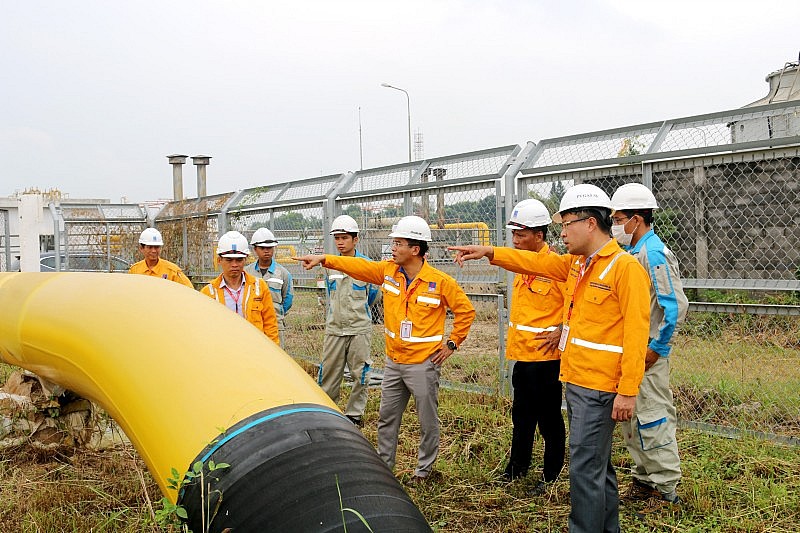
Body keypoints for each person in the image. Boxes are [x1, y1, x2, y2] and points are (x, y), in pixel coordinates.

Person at [451, 184, 651, 533]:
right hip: (576, 380)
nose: (561, 232)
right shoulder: (578, 265)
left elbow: (637, 334)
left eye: (566, 223)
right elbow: (532, 262)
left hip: (600, 385)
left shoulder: (624, 269)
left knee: (585, 469)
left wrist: (628, 390)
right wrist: (489, 252)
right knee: (598, 468)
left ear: (589, 223)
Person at [294, 215, 475, 482]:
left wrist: (452, 343)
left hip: (423, 365)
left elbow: (466, 312)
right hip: (394, 363)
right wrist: (324, 259)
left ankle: (424, 472)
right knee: (386, 419)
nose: (393, 247)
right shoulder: (388, 272)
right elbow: (356, 267)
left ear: (415, 249)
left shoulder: (440, 282)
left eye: (398, 242)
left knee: (427, 422)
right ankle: (384, 468)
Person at [610, 183, 688, 506]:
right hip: (635, 354)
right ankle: (644, 479)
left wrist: (658, 349)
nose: (615, 226)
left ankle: (666, 488)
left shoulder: (652, 253)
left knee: (653, 416)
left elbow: (675, 307)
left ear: (636, 220)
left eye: (618, 219)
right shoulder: (634, 252)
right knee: (633, 418)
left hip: (649, 354)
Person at [499, 199, 567, 494]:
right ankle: (517, 467)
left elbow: (576, 305)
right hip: (523, 356)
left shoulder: (556, 267)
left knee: (549, 417)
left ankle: (551, 473)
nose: (515, 241)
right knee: (522, 414)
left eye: (521, 235)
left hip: (547, 360)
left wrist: (563, 330)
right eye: (513, 234)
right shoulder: (522, 267)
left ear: (539, 235)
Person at [317, 215, 379, 427]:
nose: (340, 242)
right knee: (329, 372)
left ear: (355, 239)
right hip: (334, 328)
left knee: (360, 373)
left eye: (344, 237)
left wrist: (357, 311)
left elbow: (373, 295)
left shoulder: (366, 265)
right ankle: (328, 410)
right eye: (337, 238)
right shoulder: (330, 266)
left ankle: (354, 414)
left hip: (359, 328)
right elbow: (329, 293)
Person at [201, 231, 279, 344]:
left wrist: (273, 352)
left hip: (254, 349)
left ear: (245, 259)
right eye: (229, 260)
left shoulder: (259, 287)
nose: (234, 264)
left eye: (239, 259)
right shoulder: (208, 292)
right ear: (219, 260)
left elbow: (270, 324)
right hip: (223, 349)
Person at [245, 227, 294, 347]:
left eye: (269, 248)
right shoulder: (246, 273)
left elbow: (287, 300)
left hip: (276, 325)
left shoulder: (283, 273)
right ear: (255, 249)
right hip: (251, 325)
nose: (266, 251)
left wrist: (276, 313)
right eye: (262, 248)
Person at [128, 227, 194, 288]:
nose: (153, 251)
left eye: (156, 247)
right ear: (141, 248)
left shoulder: (172, 271)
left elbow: (189, 290)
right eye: (150, 247)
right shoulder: (135, 270)